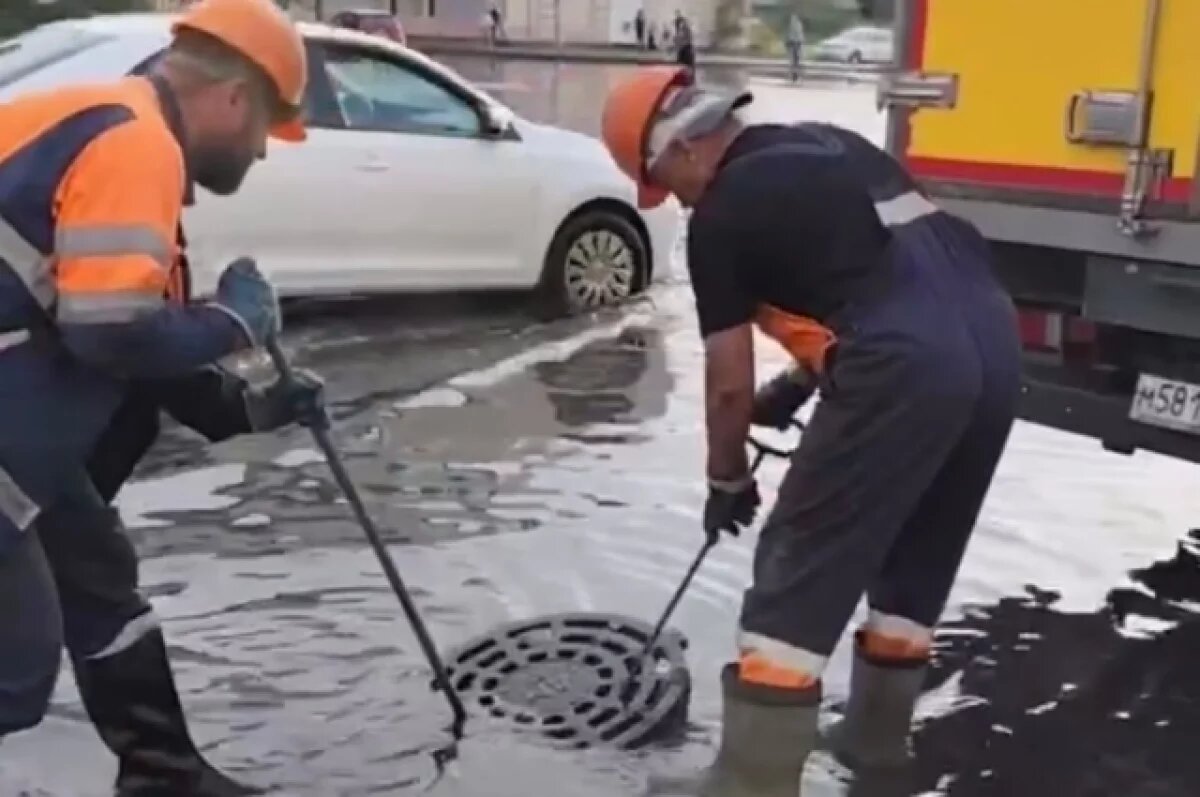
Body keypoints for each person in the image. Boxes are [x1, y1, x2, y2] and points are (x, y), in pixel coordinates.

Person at [600, 66, 1021, 795]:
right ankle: (873, 750)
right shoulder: (832, 145)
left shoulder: (721, 215)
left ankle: (749, 781)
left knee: (794, 570)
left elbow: (726, 383)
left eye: (663, 181)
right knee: (913, 562)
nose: (672, 198)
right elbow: (891, 280)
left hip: (902, 363)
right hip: (994, 341)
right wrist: (796, 386)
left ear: (683, 149)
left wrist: (726, 479)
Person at [0, 0, 324, 793]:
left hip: (18, 438)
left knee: (98, 573)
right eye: (264, 133)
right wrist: (232, 321)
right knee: (18, 659)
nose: (258, 154)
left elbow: (139, 348)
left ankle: (163, 773)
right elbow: (109, 333)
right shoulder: (133, 141)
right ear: (236, 98)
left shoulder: (119, 130)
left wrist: (252, 406)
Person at [785, 12, 805, 83]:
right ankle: (795, 76)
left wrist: (791, 42)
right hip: (796, 44)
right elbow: (798, 36)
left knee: (795, 62)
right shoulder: (797, 25)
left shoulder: (796, 25)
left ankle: (795, 76)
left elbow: (796, 36)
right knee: (795, 62)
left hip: (795, 44)